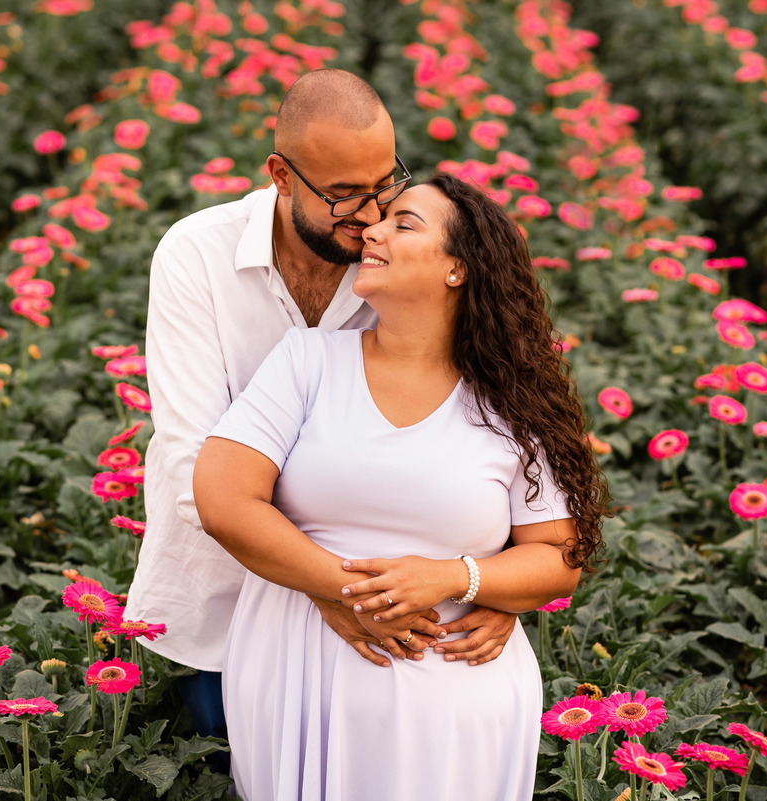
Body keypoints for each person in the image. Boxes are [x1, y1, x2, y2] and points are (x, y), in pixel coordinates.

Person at [124, 70, 519, 752]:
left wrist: (494, 582)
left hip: (396, 619)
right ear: (280, 174)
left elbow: (474, 430)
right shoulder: (197, 257)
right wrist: (333, 584)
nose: (369, 217)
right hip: (226, 604)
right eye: (342, 196)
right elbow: (197, 469)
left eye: (385, 185)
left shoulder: (394, 268)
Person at [193, 173, 609, 800]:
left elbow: (557, 559)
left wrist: (455, 578)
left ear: (457, 270)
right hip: (300, 675)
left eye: (403, 223)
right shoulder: (307, 362)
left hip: (458, 701)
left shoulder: (512, 403)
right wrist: (341, 587)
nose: (373, 230)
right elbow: (224, 501)